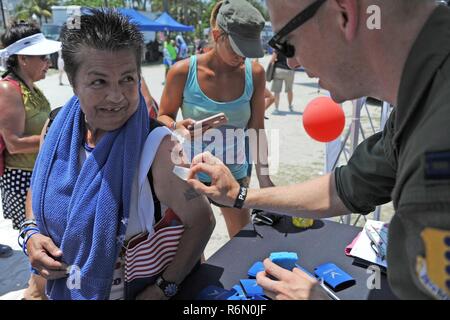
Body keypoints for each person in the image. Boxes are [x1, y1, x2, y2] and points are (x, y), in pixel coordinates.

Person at [186, 0, 450, 300]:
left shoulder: (438, 137)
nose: (293, 63)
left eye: (286, 44)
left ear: (344, 14)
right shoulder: (427, 88)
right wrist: (242, 196)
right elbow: (348, 185)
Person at [24, 9, 214, 300]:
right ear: (73, 83)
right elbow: (37, 187)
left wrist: (165, 286)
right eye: (99, 82)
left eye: (127, 79)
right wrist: (31, 233)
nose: (117, 96)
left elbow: (202, 221)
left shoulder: (161, 148)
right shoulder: (54, 129)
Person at [158, 0, 274, 239]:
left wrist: (265, 179)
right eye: (237, 48)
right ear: (217, 35)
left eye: (249, 49)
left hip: (236, 174)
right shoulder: (181, 71)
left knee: (242, 243)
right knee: (191, 248)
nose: (243, 56)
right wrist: (176, 126)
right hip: (190, 174)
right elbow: (162, 116)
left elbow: (257, 129)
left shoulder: (255, 73)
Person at [0, 21, 61, 299]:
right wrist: (58, 140)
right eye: (42, 57)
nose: (48, 62)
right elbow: (13, 143)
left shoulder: (29, 87)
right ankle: (35, 293)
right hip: (21, 178)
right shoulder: (8, 89)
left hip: (36, 173)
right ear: (22, 59)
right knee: (38, 242)